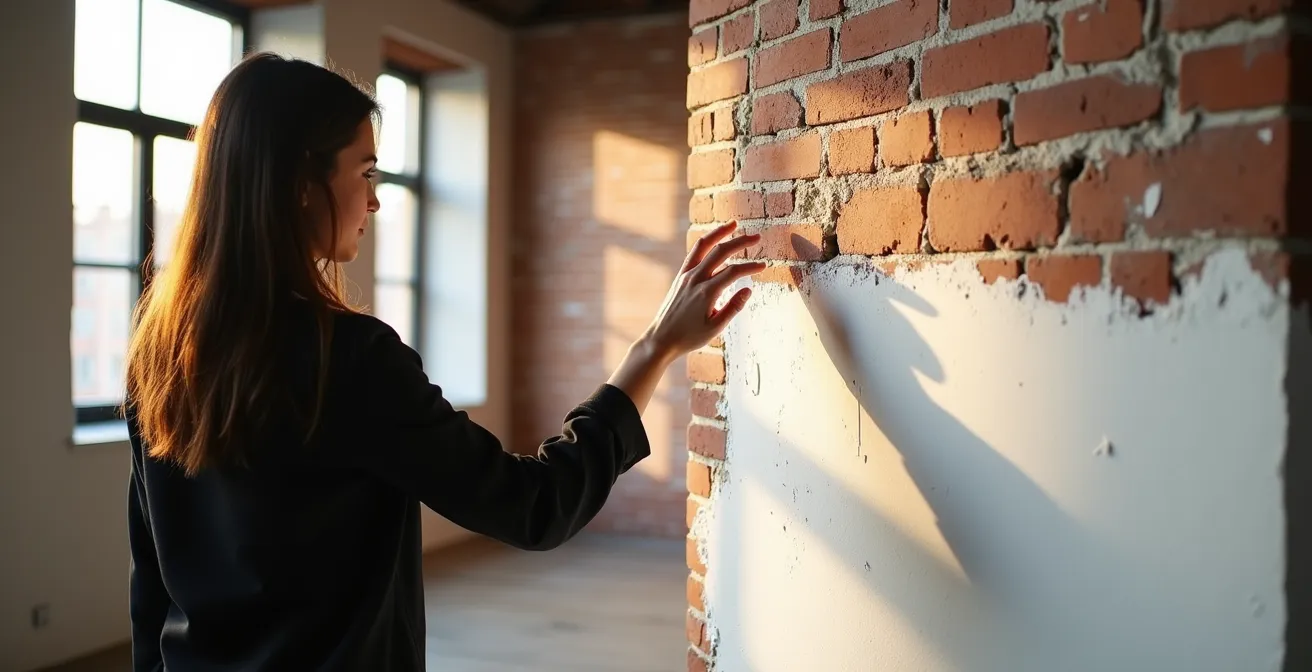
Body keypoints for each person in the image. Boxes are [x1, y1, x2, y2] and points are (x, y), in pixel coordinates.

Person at [122, 52, 764, 671]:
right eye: (366, 172)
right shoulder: (350, 360)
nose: (374, 201)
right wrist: (653, 349)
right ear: (298, 185)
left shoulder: (157, 352)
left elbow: (150, 585)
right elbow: (534, 506)